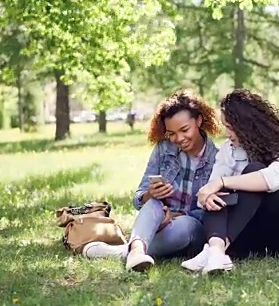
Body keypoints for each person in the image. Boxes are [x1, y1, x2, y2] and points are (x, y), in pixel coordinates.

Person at [83, 90, 220, 272]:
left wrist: (175, 216)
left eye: (184, 130)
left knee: (186, 225)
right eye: (171, 133)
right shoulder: (164, 149)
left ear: (199, 121)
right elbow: (139, 197)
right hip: (158, 223)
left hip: (191, 229)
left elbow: (214, 214)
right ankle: (137, 252)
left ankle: (119, 251)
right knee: (154, 201)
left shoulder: (218, 159)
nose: (178, 139)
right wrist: (150, 195)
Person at [181, 89, 279, 275]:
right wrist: (208, 195)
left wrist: (224, 181)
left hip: (277, 231)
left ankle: (214, 251)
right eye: (225, 126)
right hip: (242, 236)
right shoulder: (228, 150)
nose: (227, 133)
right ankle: (216, 251)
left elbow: (271, 181)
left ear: (247, 126)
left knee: (254, 172)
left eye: (230, 127)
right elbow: (211, 187)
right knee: (216, 196)